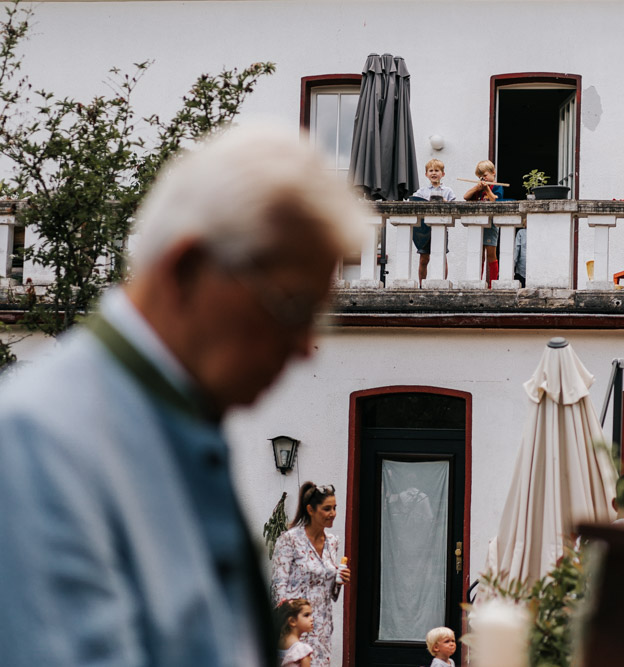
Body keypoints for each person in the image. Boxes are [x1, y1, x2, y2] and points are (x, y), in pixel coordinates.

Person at [0, 123, 360, 666]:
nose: (307, 348)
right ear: (188, 268)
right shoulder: (40, 446)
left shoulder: (172, 429)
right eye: (291, 308)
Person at [271, 482, 352, 667]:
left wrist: (339, 580)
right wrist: (289, 626)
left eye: (335, 508)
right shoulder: (289, 539)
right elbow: (278, 586)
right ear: (310, 509)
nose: (333, 513)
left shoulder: (332, 542)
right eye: (327, 509)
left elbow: (330, 593)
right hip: (296, 624)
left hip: (321, 624)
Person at [411, 158, 457, 285]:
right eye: (431, 170)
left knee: (441, 257)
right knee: (423, 258)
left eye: (437, 170)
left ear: (443, 174)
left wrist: (445, 203)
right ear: (426, 174)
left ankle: (442, 282)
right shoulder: (421, 192)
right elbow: (414, 203)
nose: (434, 173)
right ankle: (421, 284)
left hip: (441, 228)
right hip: (424, 229)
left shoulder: (448, 191)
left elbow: (454, 208)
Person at [463, 159, 504, 287]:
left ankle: (492, 284)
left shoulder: (497, 186)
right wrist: (477, 187)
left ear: (493, 173)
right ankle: (478, 282)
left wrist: (487, 189)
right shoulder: (479, 188)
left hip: (491, 224)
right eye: (481, 177)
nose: (483, 178)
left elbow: (494, 200)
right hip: (478, 224)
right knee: (479, 254)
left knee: (491, 253)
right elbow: (466, 196)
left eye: (485, 175)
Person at [274, 598, 315, 667]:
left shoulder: (276, 644)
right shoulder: (302, 651)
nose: (312, 619)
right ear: (292, 621)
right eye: (306, 615)